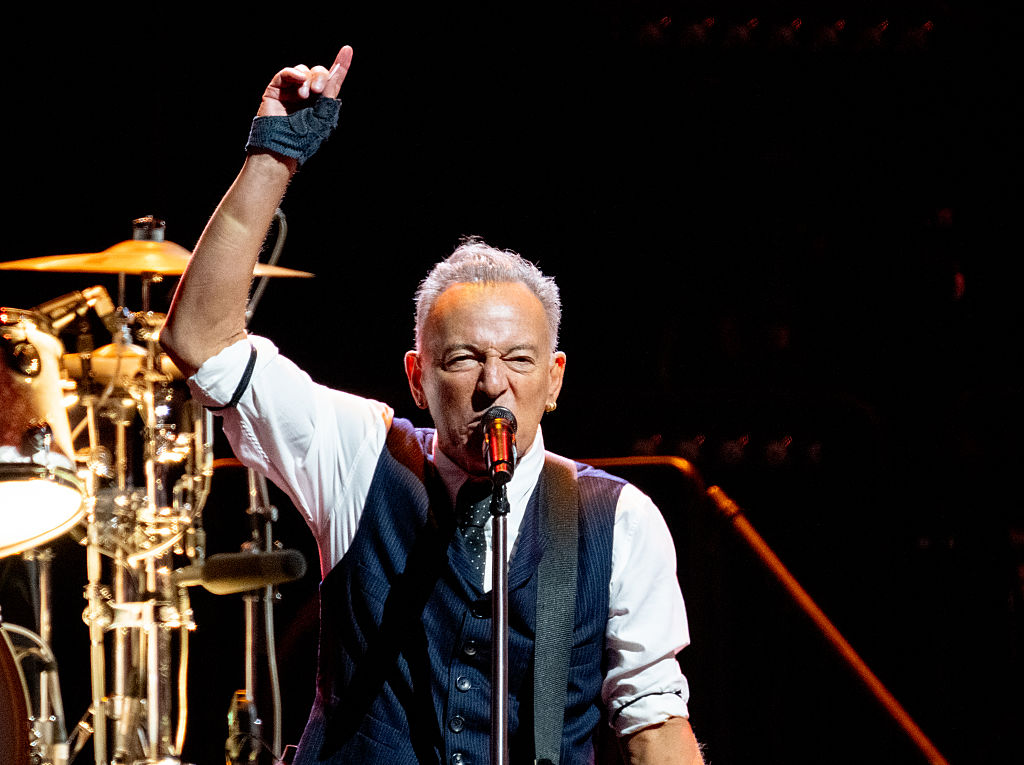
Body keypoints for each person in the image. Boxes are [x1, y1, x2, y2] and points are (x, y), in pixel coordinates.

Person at [161, 46, 704, 765]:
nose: (493, 384)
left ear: (555, 380)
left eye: (519, 360)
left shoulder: (619, 522)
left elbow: (655, 725)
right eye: (463, 359)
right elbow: (200, 340)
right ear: (417, 378)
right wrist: (273, 158)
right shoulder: (360, 456)